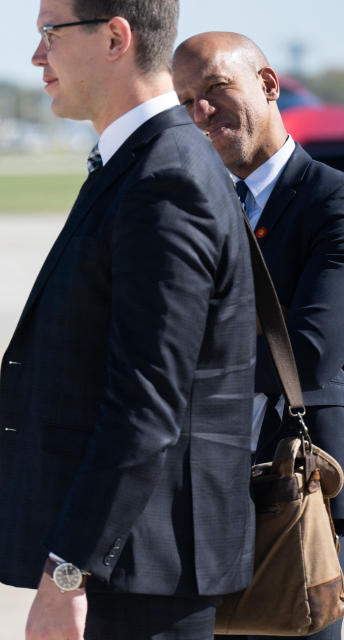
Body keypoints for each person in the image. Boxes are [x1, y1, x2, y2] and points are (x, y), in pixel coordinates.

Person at [0, 1, 258, 639]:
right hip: (128, 567)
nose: (37, 58)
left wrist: (69, 570)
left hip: (137, 576)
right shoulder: (142, 163)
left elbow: (147, 404)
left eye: (49, 36)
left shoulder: (165, 178)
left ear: (116, 37)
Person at [173, 31, 344, 640]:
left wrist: (172, 367)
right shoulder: (185, 210)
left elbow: (310, 354)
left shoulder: (332, 201)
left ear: (269, 84)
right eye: (186, 100)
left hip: (295, 504)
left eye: (216, 88)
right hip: (196, 508)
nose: (201, 113)